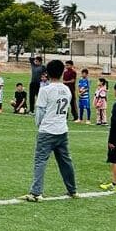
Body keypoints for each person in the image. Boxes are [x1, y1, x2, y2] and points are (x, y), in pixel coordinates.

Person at [22, 59, 77, 202]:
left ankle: (36, 192)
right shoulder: (66, 89)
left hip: (47, 130)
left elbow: (40, 112)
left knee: (40, 161)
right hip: (62, 130)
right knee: (65, 161)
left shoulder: (45, 90)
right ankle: (72, 190)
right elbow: (67, 110)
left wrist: (40, 126)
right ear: (62, 73)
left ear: (47, 73)